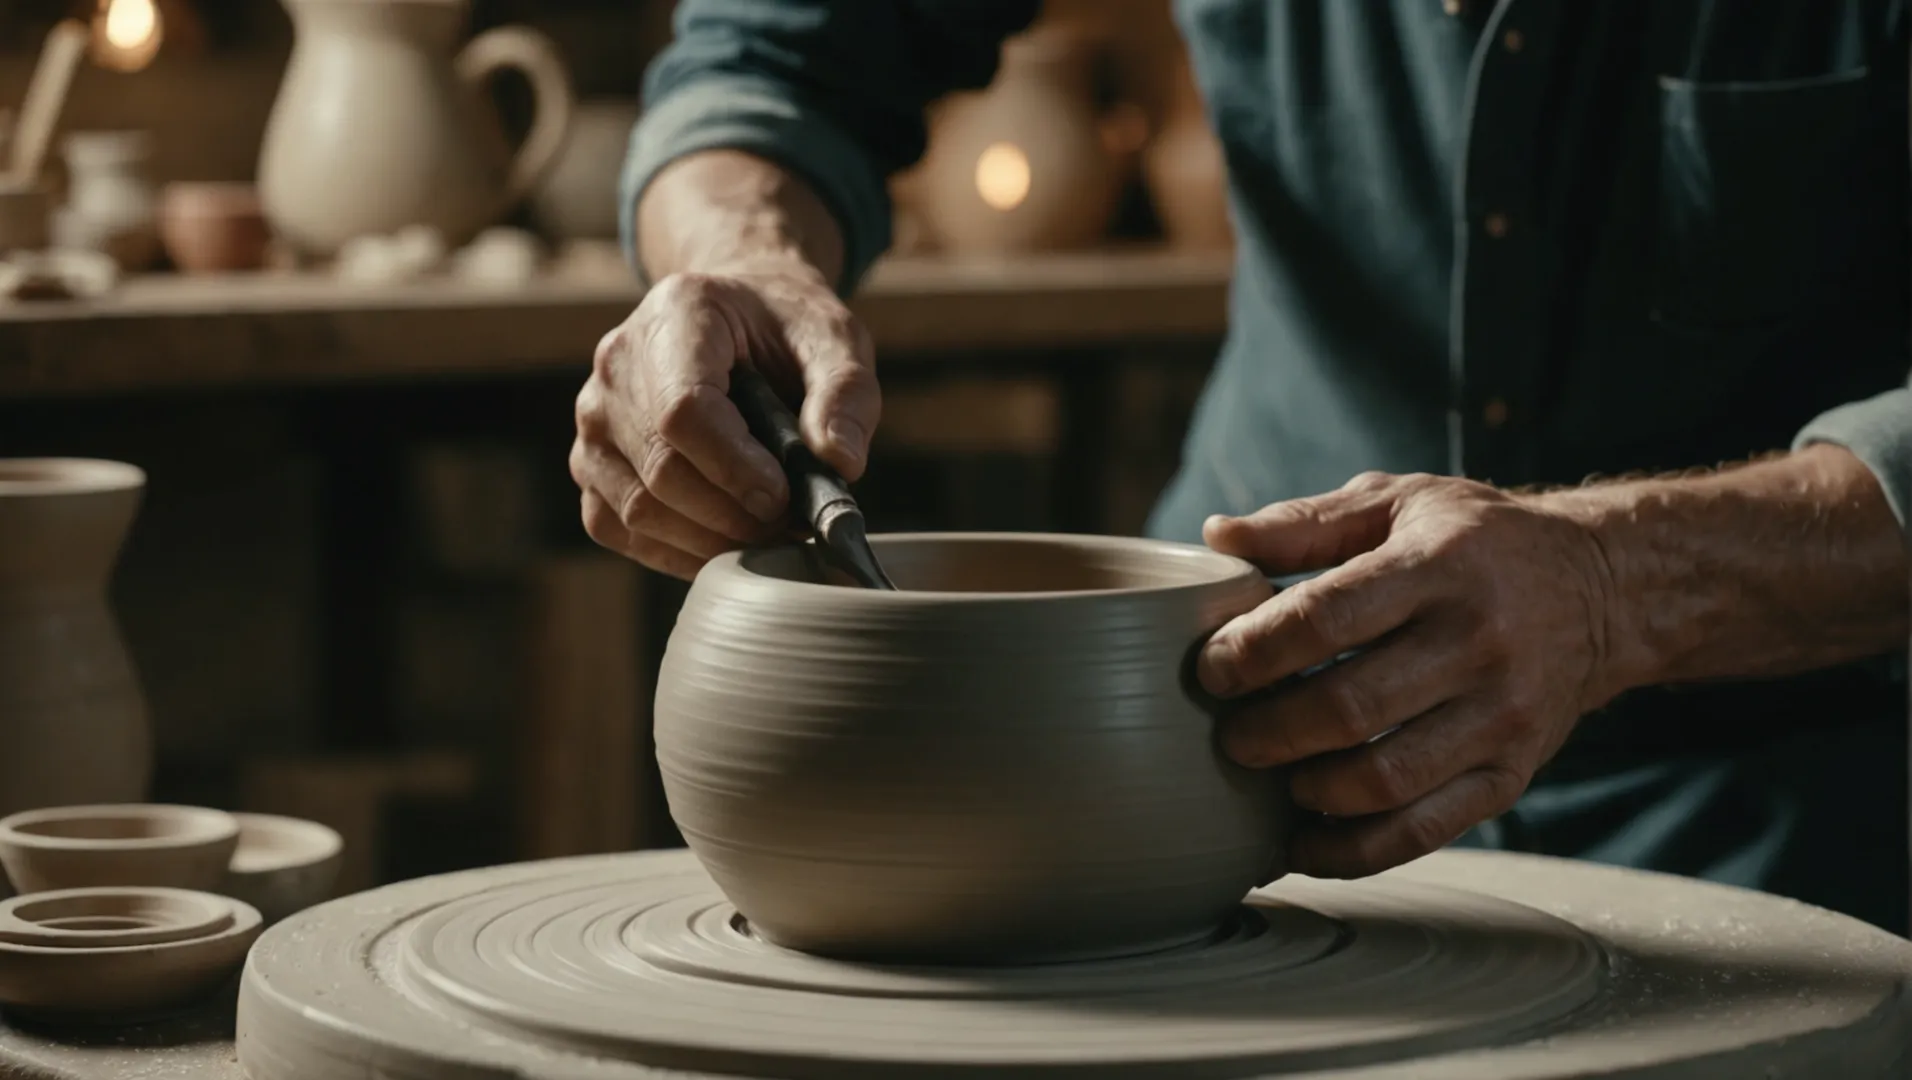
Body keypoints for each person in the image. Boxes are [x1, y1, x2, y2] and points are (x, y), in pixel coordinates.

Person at [570, 0, 1912, 934]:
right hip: (1222, 773)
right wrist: (736, 250)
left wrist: (1613, 588)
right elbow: (775, 58)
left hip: (1787, 795)